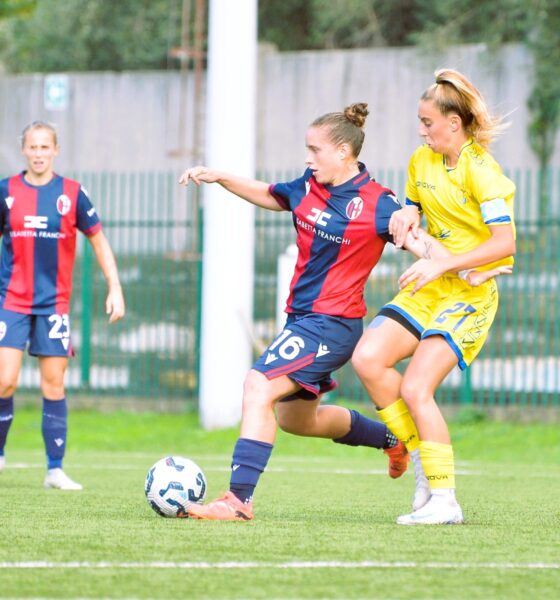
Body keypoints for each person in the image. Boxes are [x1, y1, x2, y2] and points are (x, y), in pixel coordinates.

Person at [179, 103, 499, 521]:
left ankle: (238, 501)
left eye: (315, 150)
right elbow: (272, 195)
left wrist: (469, 266)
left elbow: (422, 244)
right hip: (302, 320)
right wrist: (220, 177)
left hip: (333, 324)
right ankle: (391, 438)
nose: (308, 158)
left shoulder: (378, 203)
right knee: (296, 419)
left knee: (258, 385)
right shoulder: (308, 186)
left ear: (345, 152)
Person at [352, 69, 516, 525]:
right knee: (367, 358)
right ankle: (425, 461)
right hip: (430, 286)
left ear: (454, 124)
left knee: (415, 387)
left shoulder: (482, 171)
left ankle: (446, 502)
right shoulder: (420, 161)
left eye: (427, 122)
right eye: (420, 121)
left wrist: (444, 263)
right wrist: (406, 215)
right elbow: (416, 208)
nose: (421, 130)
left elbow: (506, 242)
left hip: (469, 295)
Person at [0, 121, 125, 489]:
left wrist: (114, 288)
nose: (39, 154)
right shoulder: (6, 191)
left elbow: (98, 241)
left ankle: (55, 469)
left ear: (56, 150)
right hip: (11, 300)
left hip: (54, 304)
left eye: (45, 147)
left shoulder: (72, 193)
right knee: (4, 380)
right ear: (24, 150)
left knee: (53, 385)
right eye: (33, 147)